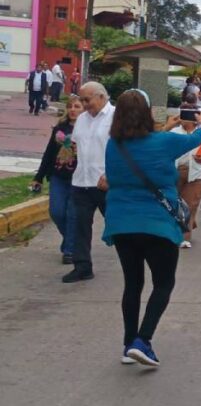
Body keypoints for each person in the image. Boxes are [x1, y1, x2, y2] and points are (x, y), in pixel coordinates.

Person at [102, 90, 201, 367]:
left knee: (133, 284)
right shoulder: (164, 142)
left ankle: (129, 344)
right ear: (149, 113)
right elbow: (196, 140)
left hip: (122, 222)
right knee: (163, 283)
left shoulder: (114, 145)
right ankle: (144, 340)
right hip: (157, 224)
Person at [63, 81, 115, 283]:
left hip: (105, 182)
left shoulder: (116, 117)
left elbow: (123, 149)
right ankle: (82, 266)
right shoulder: (82, 119)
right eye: (81, 99)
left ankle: (133, 259)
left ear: (102, 97)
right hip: (81, 181)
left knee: (118, 224)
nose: (84, 104)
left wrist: (113, 175)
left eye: (87, 99)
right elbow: (77, 147)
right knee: (80, 225)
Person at [32, 94, 83, 264]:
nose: (73, 110)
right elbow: (49, 153)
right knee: (57, 212)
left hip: (78, 178)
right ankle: (71, 240)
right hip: (58, 176)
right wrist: (38, 177)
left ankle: (69, 250)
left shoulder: (87, 128)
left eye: (77, 106)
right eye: (70, 106)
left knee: (72, 214)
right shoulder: (60, 128)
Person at [171, 104, 201, 248]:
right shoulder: (174, 132)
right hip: (176, 172)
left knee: (190, 205)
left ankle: (185, 237)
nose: (185, 120)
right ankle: (174, 232)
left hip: (197, 172)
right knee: (174, 204)